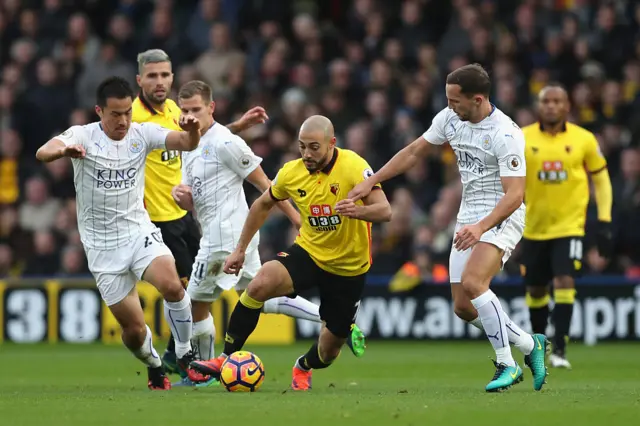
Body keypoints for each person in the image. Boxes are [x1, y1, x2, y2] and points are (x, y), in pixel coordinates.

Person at [348, 64, 549, 393]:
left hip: (501, 215)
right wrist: (372, 180)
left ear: (479, 99)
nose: (450, 106)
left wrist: (482, 226)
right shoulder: (450, 119)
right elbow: (414, 152)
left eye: (456, 100)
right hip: (468, 215)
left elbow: (515, 195)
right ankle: (530, 345)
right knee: (462, 306)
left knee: (474, 282)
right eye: (448, 99)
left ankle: (506, 363)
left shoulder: (507, 134)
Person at [170, 81, 367, 386]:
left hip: (226, 234)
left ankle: (199, 371)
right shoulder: (194, 142)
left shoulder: (225, 142)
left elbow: (266, 187)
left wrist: (295, 218)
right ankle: (333, 322)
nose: (190, 116)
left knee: (195, 301)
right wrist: (184, 196)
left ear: (210, 108)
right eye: (184, 111)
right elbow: (212, 145)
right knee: (257, 293)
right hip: (219, 229)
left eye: (196, 109)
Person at [35, 76, 208, 390]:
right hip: (102, 247)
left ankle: (183, 354)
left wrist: (193, 129)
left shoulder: (141, 133)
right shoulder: (83, 136)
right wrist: (62, 151)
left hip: (138, 231)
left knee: (172, 284)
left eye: (128, 112)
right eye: (115, 114)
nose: (123, 120)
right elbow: (43, 152)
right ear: (99, 111)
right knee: (134, 332)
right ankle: (154, 364)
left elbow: (186, 143)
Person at [132, 49, 267, 375]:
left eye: (165, 75)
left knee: (202, 297)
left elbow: (205, 141)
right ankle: (185, 360)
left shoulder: (178, 112)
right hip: (158, 220)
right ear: (139, 80)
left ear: (173, 77)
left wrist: (234, 127)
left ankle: (181, 358)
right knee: (185, 296)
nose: (160, 81)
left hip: (187, 217)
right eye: (152, 76)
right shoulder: (132, 118)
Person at [521, 84, 613, 369]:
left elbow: (601, 177)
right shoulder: (521, 138)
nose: (550, 106)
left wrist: (605, 219)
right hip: (532, 227)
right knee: (536, 289)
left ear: (567, 106)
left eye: (556, 101)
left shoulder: (584, 139)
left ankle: (559, 347)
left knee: (564, 280)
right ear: (539, 106)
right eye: (545, 101)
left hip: (569, 226)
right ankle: (539, 344)